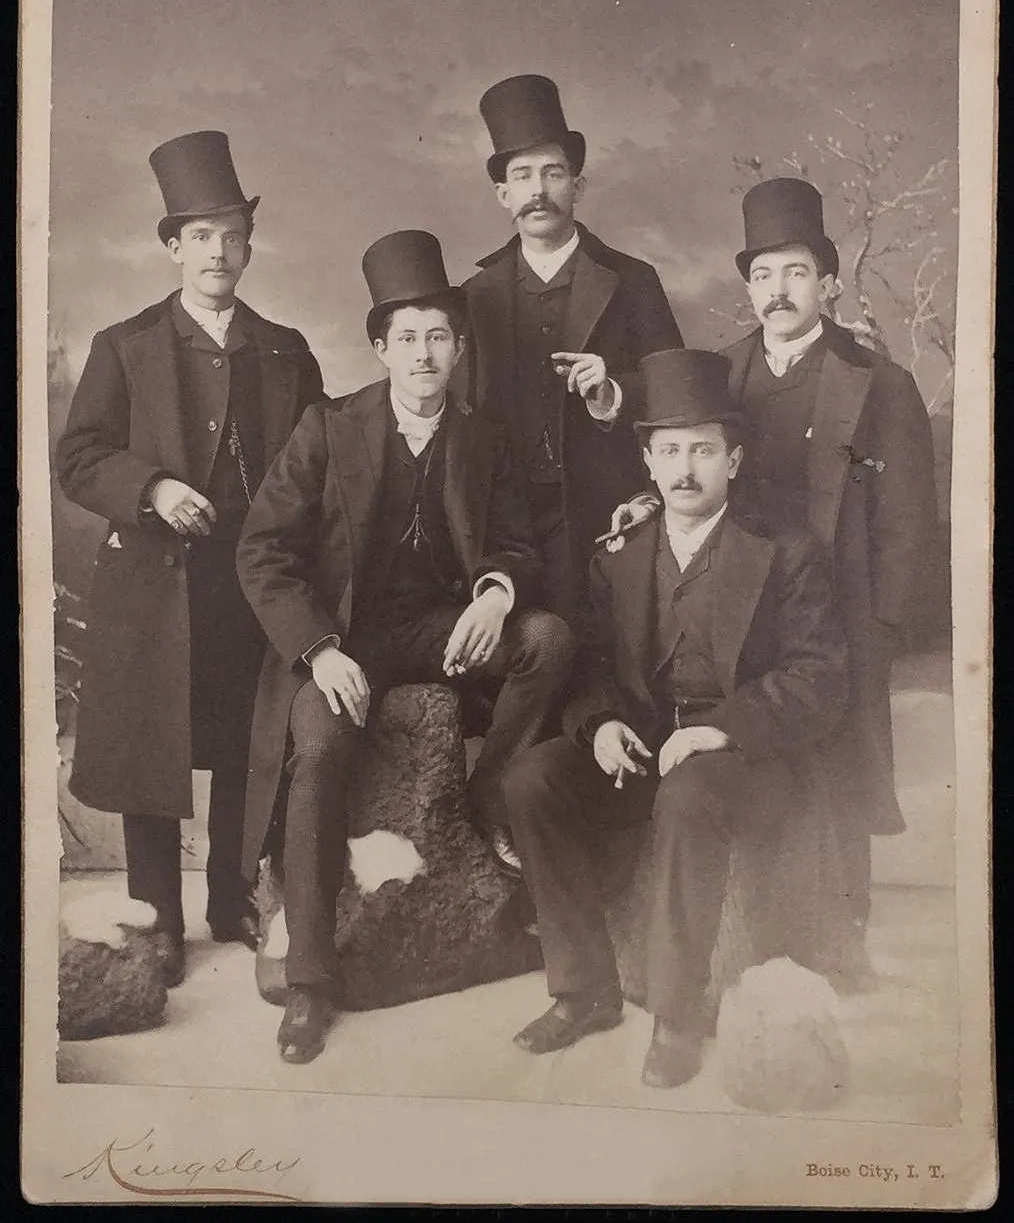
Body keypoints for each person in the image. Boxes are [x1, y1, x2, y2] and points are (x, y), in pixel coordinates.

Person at [235, 230, 575, 1065]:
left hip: (443, 631)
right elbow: (262, 553)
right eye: (406, 337)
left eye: (438, 335)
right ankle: (311, 982)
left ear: (459, 348)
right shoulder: (327, 429)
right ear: (380, 348)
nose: (423, 353)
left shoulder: (482, 439)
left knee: (549, 640)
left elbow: (519, 544)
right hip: (346, 639)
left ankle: (490, 792)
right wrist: (318, 649)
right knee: (317, 752)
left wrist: (494, 596)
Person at [606, 179, 937, 984]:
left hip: (846, 599)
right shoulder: (725, 372)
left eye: (795, 272)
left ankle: (840, 930)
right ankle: (756, 928)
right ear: (747, 288)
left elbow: (908, 522)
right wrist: (651, 498)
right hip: (754, 602)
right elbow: (692, 465)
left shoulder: (877, 381)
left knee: (842, 763)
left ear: (827, 284)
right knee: (764, 752)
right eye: (762, 275)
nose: (778, 291)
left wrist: (884, 630)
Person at [503, 349, 848, 1089]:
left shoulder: (784, 552)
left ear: (735, 457)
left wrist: (721, 729)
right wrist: (599, 725)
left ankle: (677, 1013)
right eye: (668, 451)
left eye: (702, 450)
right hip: (648, 747)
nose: (685, 469)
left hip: (749, 761)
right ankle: (584, 988)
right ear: (648, 460)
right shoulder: (620, 554)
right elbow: (590, 661)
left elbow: (821, 679)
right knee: (534, 779)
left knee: (689, 794)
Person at [56, 130, 324, 987]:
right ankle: (158, 918)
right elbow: (80, 457)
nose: (218, 250)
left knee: (249, 739)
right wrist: (154, 491)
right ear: (173, 247)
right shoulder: (125, 344)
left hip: (249, 584)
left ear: (249, 246)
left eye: (232, 234)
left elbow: (318, 465)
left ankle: (231, 898)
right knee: (151, 747)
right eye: (200, 235)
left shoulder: (286, 350)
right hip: (153, 582)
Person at [457, 74, 684, 624]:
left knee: (604, 656)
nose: (538, 190)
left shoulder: (633, 281)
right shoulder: (472, 296)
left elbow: (677, 397)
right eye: (522, 176)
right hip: (505, 522)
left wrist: (613, 392)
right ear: (502, 195)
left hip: (607, 511)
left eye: (553, 173)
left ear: (577, 187)